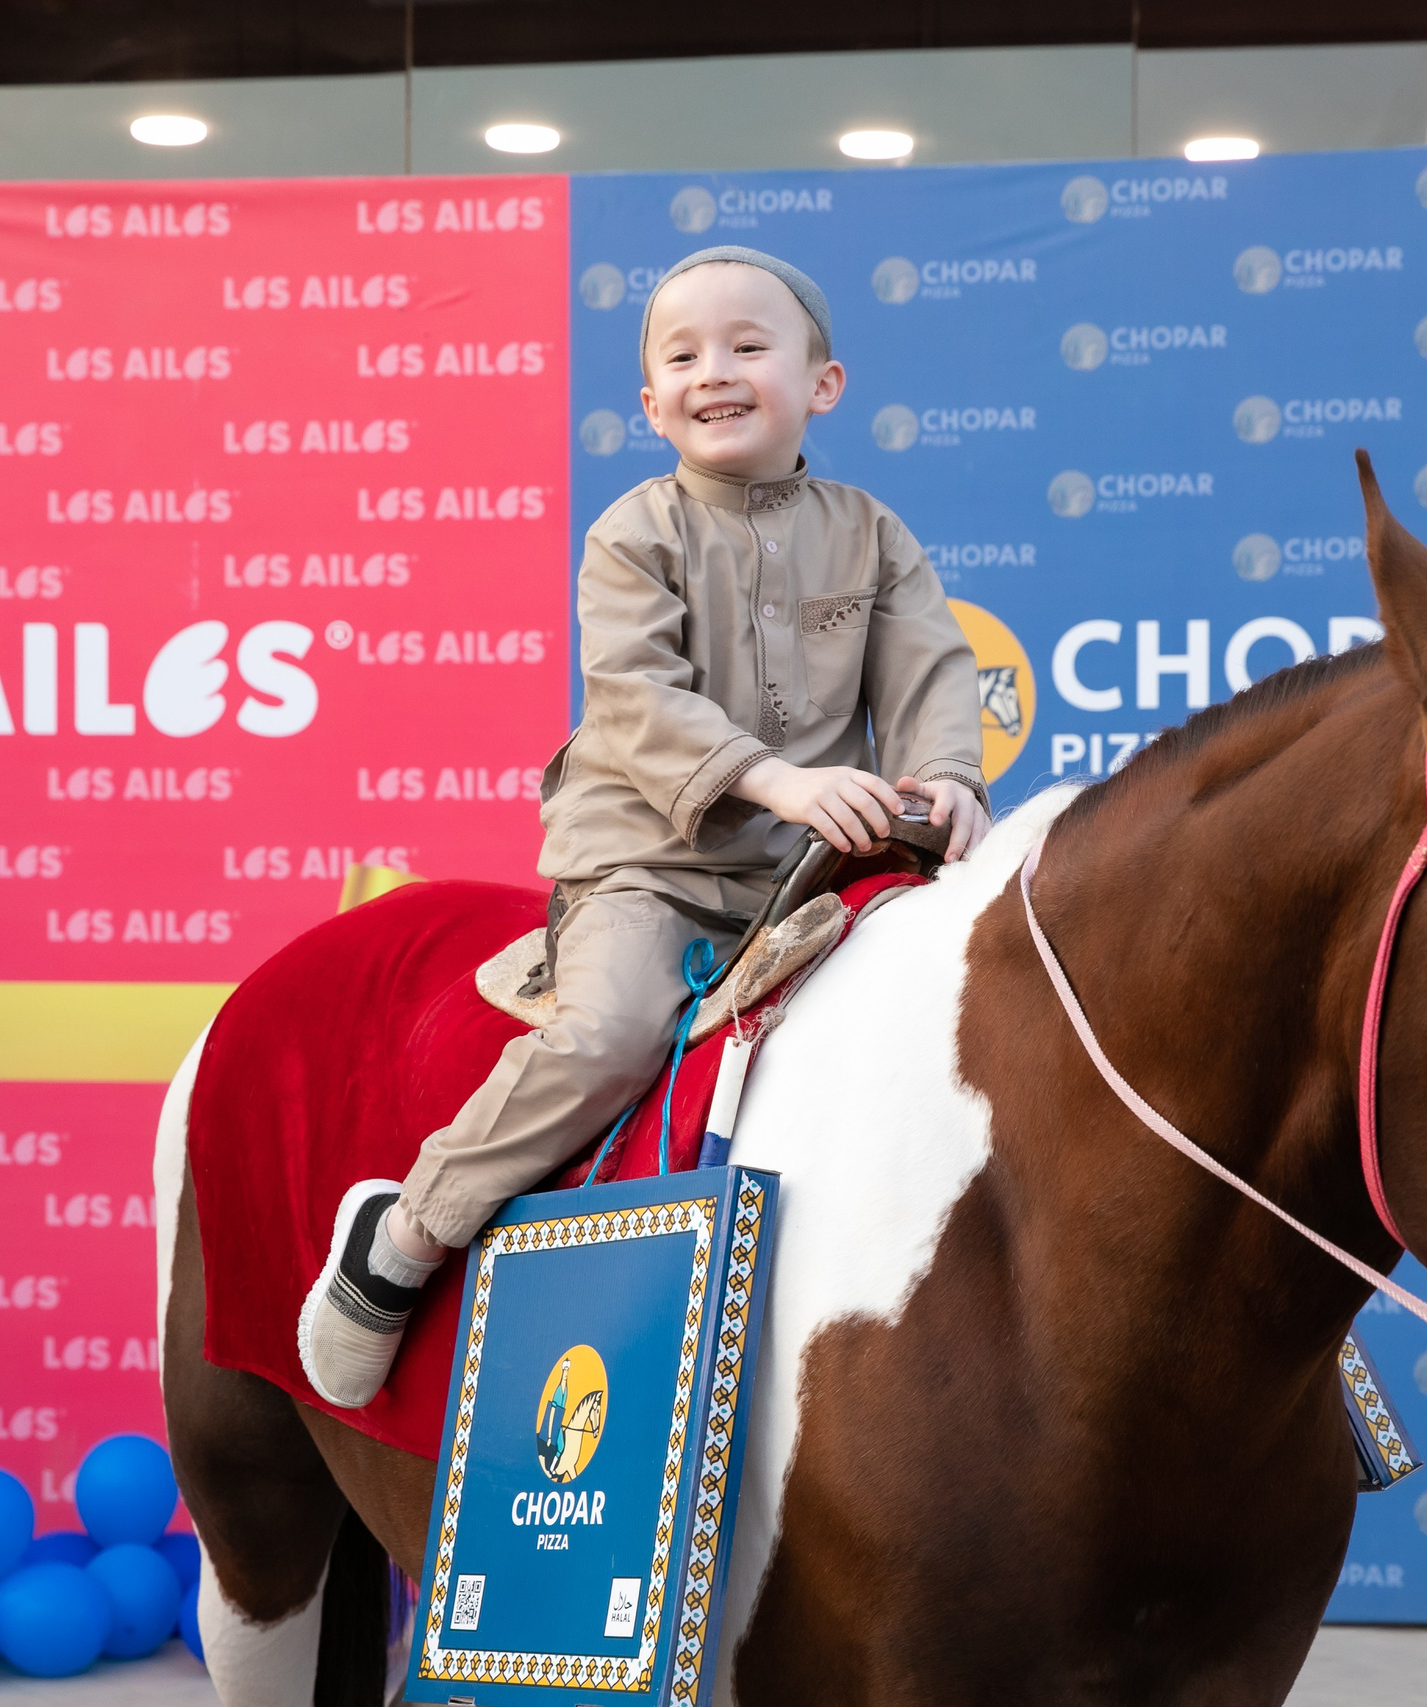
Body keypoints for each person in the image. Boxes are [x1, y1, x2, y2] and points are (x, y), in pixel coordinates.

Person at [303, 245, 990, 1408]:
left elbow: (928, 669)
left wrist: (946, 779)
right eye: (683, 355)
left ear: (823, 383)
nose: (713, 371)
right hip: (651, 863)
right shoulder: (634, 532)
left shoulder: (872, 534)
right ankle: (406, 1234)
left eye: (747, 346)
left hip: (809, 871)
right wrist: (775, 780)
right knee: (614, 1032)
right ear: (650, 402)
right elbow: (636, 695)